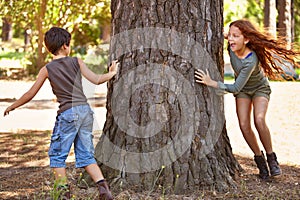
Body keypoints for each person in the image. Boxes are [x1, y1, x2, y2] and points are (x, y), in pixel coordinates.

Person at [3, 27, 118, 199]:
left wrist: (13, 106)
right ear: (65, 46)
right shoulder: (76, 61)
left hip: (68, 113)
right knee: (86, 155)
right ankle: (104, 190)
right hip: (85, 111)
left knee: (57, 155)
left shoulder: (47, 69)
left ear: (50, 48)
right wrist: (112, 73)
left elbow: (30, 94)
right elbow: (96, 79)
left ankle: (63, 194)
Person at [195, 19, 299, 180]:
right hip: (243, 91)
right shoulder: (232, 45)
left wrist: (211, 83)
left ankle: (272, 159)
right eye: (230, 36)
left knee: (259, 119)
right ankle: (260, 161)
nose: (231, 39)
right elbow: (227, 35)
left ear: (247, 39)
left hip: (259, 89)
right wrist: (228, 33)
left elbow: (235, 87)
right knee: (244, 125)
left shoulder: (251, 60)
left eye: (236, 36)